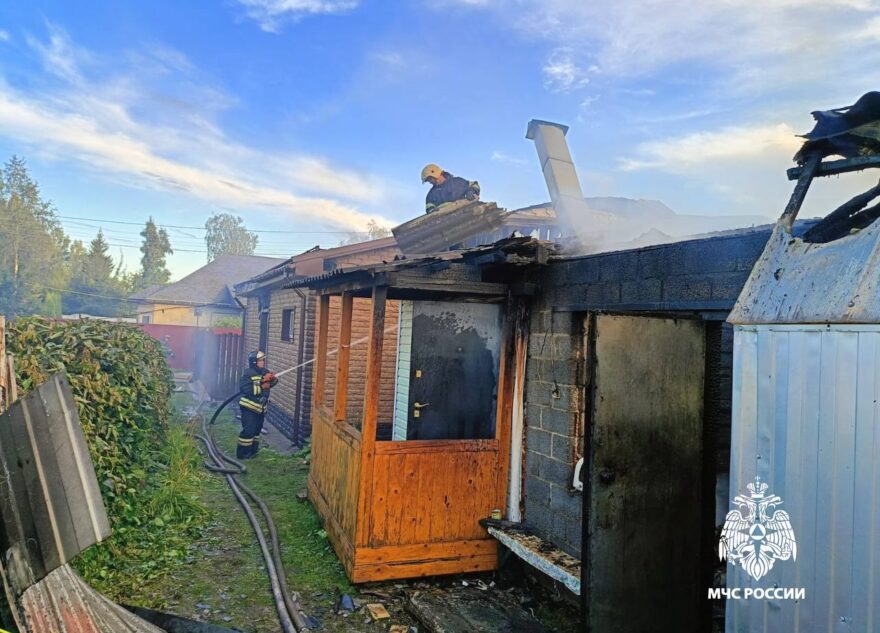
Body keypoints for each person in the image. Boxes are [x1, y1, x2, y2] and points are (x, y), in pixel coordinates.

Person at [237, 350, 277, 459]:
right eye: (260, 360)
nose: (263, 362)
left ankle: (253, 451)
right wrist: (261, 384)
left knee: (256, 431)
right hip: (249, 408)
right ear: (254, 362)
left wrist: (273, 379)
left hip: (260, 409)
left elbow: (269, 385)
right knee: (248, 430)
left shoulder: (265, 371)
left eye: (263, 360)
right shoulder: (248, 373)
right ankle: (242, 453)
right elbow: (245, 389)